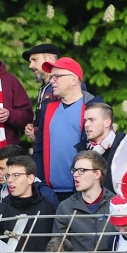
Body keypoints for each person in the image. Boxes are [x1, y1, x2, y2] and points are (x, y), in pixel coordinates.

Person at [34, 57, 103, 202]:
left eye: (57, 76)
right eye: (51, 76)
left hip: (83, 191)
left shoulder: (93, 108)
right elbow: (39, 148)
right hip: (50, 192)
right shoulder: (48, 109)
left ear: (73, 80)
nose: (52, 80)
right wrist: (41, 184)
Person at [0, 154, 58, 253]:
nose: (10, 180)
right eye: (8, 176)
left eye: (16, 176)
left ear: (30, 178)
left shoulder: (48, 207)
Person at [82, 102, 125, 191]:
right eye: (85, 120)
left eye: (92, 120)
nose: (86, 125)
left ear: (107, 123)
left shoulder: (123, 147)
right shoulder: (82, 149)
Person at [22, 43, 60, 139]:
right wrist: (33, 127)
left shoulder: (62, 86)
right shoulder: (44, 87)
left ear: (50, 59)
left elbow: (62, 124)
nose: (30, 65)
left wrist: (37, 133)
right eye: (30, 61)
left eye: (35, 60)